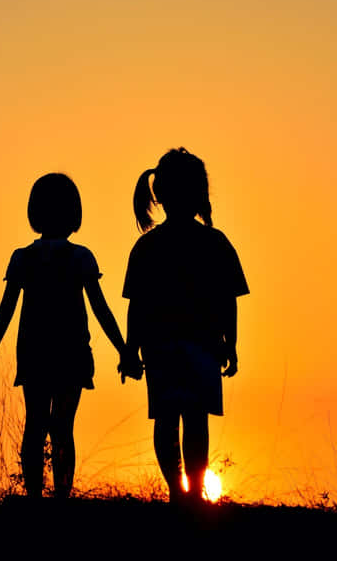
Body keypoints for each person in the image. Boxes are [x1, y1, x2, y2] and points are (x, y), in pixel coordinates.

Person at [0, 173, 129, 498]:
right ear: (74, 214)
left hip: (35, 353)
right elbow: (100, 309)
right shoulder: (81, 257)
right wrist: (124, 349)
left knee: (36, 424)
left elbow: (5, 312)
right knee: (63, 428)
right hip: (71, 353)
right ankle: (61, 496)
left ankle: (34, 497)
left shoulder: (23, 258)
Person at [122, 147, 249, 505]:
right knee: (196, 420)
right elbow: (229, 301)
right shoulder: (215, 243)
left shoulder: (147, 247)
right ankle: (191, 494)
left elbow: (137, 306)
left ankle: (179, 492)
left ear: (159, 194)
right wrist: (231, 344)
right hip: (203, 346)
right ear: (200, 194)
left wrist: (132, 349)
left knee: (166, 419)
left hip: (161, 346)